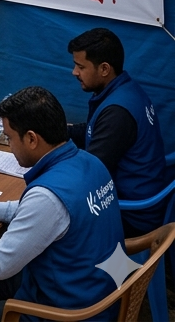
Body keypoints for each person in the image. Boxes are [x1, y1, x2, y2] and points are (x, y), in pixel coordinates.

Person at [0, 87, 127, 322]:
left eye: (9, 138)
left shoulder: (47, 197)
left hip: (71, 312)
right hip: (97, 286)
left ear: (31, 138)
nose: (9, 146)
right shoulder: (89, 161)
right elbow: (47, 216)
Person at [67, 28, 171, 236]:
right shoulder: (125, 89)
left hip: (130, 216)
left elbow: (90, 173)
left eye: (80, 66)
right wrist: (49, 131)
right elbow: (90, 132)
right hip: (140, 196)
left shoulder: (117, 113)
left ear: (104, 68)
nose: (74, 72)